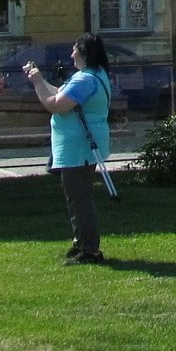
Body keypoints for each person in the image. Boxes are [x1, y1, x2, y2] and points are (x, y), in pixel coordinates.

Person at [26, 34, 113, 265]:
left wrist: (37, 83)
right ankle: (81, 242)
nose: (71, 54)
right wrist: (39, 78)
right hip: (84, 145)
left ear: (84, 53)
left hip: (78, 147)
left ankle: (90, 250)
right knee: (78, 196)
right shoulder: (95, 75)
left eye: (74, 50)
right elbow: (60, 93)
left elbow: (55, 105)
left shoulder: (84, 80)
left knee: (79, 199)